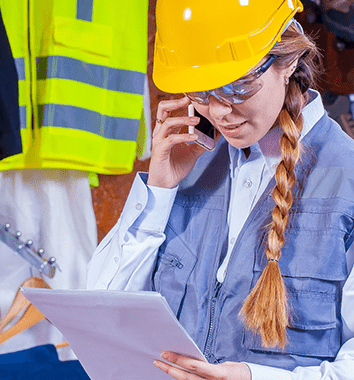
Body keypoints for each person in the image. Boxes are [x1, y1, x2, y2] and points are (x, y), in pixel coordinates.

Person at [86, 0, 354, 379]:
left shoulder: (348, 180)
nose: (219, 112)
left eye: (238, 87)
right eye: (199, 92)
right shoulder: (187, 166)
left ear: (288, 60)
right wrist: (159, 190)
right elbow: (101, 318)